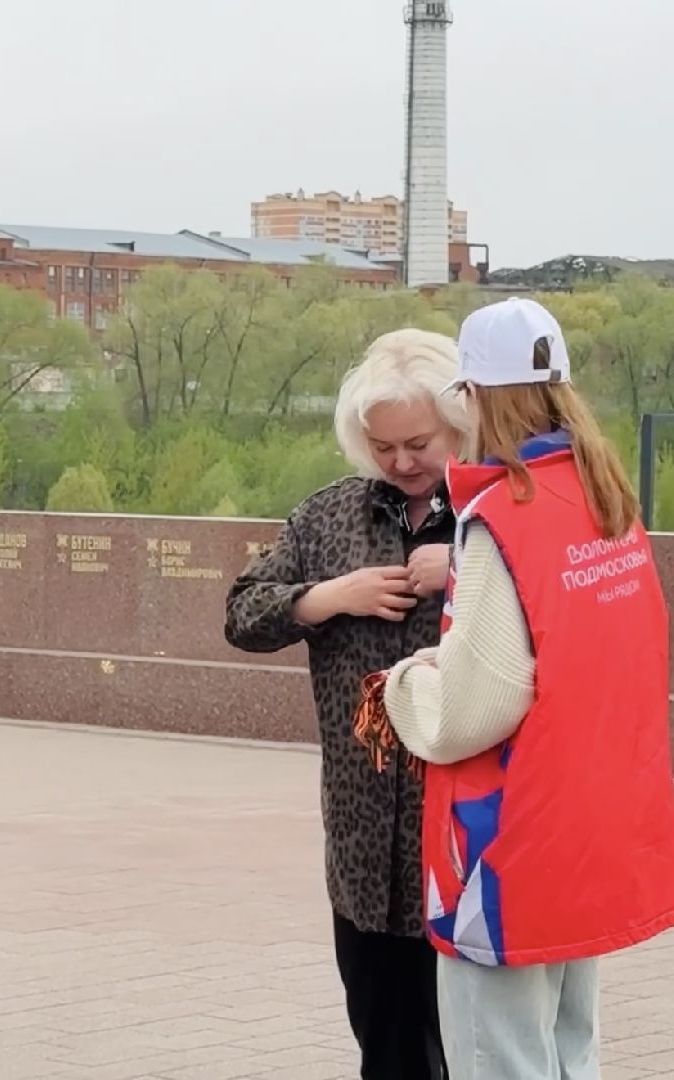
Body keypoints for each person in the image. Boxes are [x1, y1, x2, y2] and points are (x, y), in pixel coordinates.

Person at [381, 299, 674, 1080]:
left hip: (510, 844)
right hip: (592, 824)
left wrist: (404, 686)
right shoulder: (604, 497)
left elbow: (477, 708)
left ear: (474, 397)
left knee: (497, 1054)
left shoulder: (500, 517)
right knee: (571, 1047)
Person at [225, 328, 471, 1080]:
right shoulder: (327, 516)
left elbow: (551, 620)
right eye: (383, 446)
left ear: (459, 425)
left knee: (471, 1047)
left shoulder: (495, 518)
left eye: (419, 442)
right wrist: (328, 598)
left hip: (464, 840)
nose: (401, 463)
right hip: (363, 842)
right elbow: (242, 613)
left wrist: (459, 568)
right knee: (386, 1045)